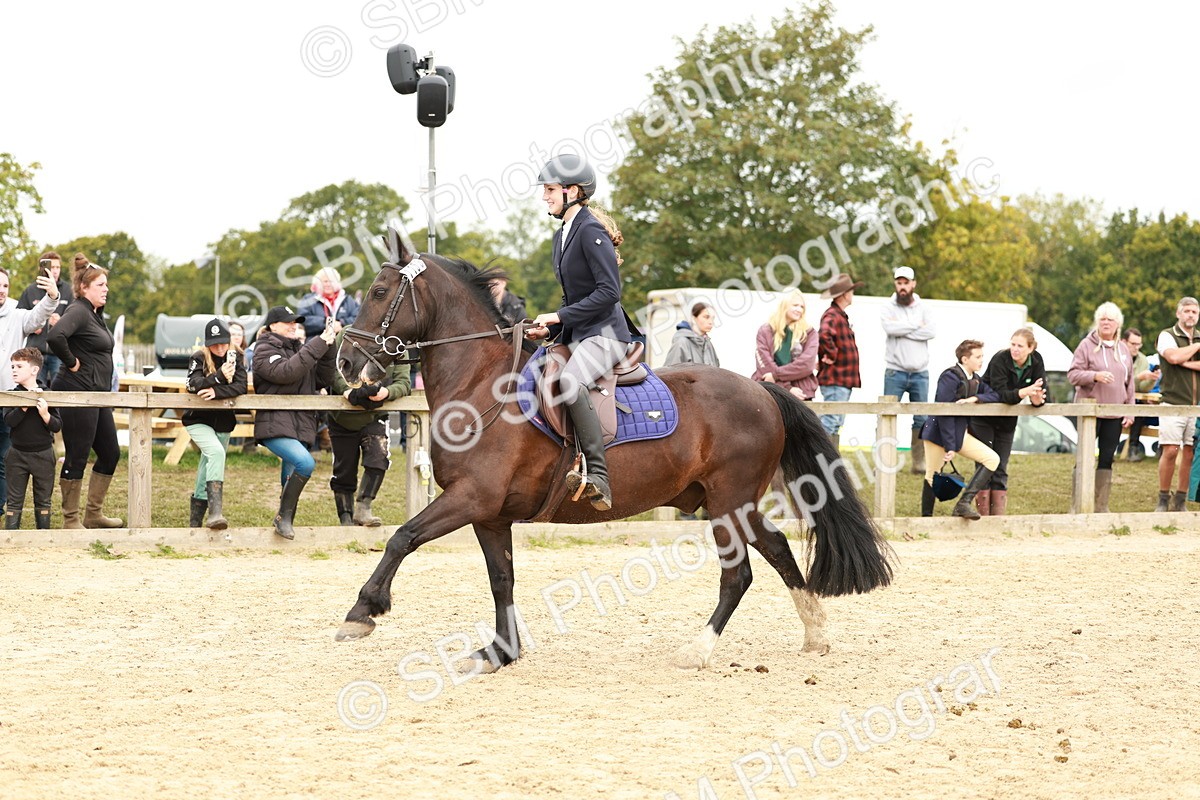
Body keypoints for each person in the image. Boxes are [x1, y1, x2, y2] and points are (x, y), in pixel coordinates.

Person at [526, 154, 638, 512]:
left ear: (573, 191)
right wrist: (552, 328)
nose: (545, 196)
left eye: (551, 190)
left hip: (606, 334)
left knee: (571, 383)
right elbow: (575, 294)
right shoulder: (563, 233)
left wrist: (559, 315)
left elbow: (609, 293)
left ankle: (600, 475)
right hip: (579, 334)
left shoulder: (589, 231)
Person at [46, 260, 123, 529]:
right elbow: (55, 336)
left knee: (110, 453)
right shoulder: (78, 310)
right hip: (77, 393)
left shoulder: (94, 313)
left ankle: (93, 514)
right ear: (83, 287)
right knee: (78, 454)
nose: (106, 289)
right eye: (100, 285)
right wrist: (71, 363)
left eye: (106, 284)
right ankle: (70, 520)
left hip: (98, 395)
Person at [253, 305, 336, 539]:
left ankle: (283, 522)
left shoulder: (299, 349)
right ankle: (283, 517)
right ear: (272, 326)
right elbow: (287, 372)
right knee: (305, 464)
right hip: (274, 423)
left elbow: (322, 378)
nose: (294, 325)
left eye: (295, 322)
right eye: (288, 322)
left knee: (290, 475)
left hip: (299, 424)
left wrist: (329, 347)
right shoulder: (263, 348)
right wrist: (317, 345)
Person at [328, 330, 412, 526]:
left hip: (375, 414)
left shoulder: (396, 342)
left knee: (378, 458)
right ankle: (345, 518)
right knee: (343, 470)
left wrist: (387, 392)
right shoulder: (346, 335)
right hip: (342, 416)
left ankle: (364, 507)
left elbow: (404, 382)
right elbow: (331, 368)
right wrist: (346, 390)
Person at [968, 328, 1047, 515]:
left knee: (1001, 467)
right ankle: (982, 517)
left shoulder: (1037, 361)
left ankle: (998, 519)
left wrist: (1037, 400)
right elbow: (999, 393)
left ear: (1031, 348)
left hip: (1007, 420)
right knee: (985, 464)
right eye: (1013, 344)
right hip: (984, 418)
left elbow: (1042, 392)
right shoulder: (1000, 359)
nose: (1015, 349)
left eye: (1020, 346)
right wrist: (1023, 392)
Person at [920, 339, 1001, 520]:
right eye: (978, 357)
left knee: (992, 459)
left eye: (982, 356)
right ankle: (925, 520)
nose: (982, 360)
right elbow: (944, 413)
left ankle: (963, 504)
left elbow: (994, 394)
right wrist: (950, 446)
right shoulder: (949, 376)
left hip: (958, 434)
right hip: (937, 433)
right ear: (965, 359)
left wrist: (975, 398)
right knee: (932, 475)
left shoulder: (975, 379)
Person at [0, 266, 59, 510]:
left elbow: (38, 316)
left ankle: (1, 507)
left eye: (4, 286)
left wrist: (52, 297)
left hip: (8, 399)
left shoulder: (16, 315)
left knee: (4, 457)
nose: (1, 290)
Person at [1068, 302, 1135, 514]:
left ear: (1118, 324)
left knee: (1107, 457)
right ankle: (1078, 505)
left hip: (1114, 413)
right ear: (1097, 322)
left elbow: (1129, 382)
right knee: (1085, 457)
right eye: (1102, 319)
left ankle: (1101, 506)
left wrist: (1129, 409)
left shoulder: (1124, 349)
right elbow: (1073, 374)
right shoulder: (1086, 346)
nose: (1106, 323)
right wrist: (1094, 376)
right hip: (1090, 413)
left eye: (1110, 319)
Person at [183, 319, 248, 530]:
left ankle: (194, 523)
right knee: (216, 453)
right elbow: (192, 384)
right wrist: (218, 378)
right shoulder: (199, 357)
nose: (220, 348)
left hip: (223, 422)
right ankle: (215, 512)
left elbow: (241, 386)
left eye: (223, 343)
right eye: (215, 344)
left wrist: (216, 391)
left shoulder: (236, 356)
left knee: (206, 466)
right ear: (207, 343)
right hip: (198, 419)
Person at [881, 266, 936, 475]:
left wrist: (902, 327)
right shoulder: (888, 306)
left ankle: (918, 462)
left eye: (906, 283)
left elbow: (931, 331)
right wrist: (916, 326)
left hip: (920, 373)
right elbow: (889, 329)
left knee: (921, 418)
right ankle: (884, 461)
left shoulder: (924, 307)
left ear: (913, 283)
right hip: (895, 371)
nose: (902, 286)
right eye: (899, 283)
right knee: (887, 415)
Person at [5, 348, 62, 529]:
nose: (14, 369)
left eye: (19, 366)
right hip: (17, 455)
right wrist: (23, 406)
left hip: (43, 455)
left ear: (34, 370)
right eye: (12, 366)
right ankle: (11, 537)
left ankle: (43, 537)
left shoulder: (47, 393)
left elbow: (57, 425)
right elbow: (9, 421)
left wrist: (45, 414)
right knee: (14, 500)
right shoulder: (11, 395)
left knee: (44, 500)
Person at [1156, 297, 1200, 511]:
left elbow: (1178, 359)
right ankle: (1163, 497)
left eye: (1194, 311)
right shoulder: (1167, 335)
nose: (1191, 315)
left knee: (1190, 453)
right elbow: (1172, 357)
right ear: (1178, 313)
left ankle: (1180, 499)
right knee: (1171, 450)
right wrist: (1196, 348)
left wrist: (1185, 362)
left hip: (1196, 405)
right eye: (1187, 311)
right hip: (1172, 401)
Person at [817, 272, 865, 447]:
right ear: (845, 294)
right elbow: (824, 334)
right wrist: (831, 355)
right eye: (851, 291)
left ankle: (829, 461)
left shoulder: (839, 315)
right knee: (831, 420)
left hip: (841, 379)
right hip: (835, 378)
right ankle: (821, 460)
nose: (852, 294)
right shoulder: (832, 315)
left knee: (836, 421)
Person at [17, 251, 73, 388]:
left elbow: (75, 321)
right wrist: (31, 327)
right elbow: (19, 317)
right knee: (34, 389)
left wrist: (61, 322)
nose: (54, 271)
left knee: (58, 391)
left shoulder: (68, 290)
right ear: (41, 268)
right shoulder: (30, 291)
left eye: (57, 267)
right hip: (35, 353)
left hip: (59, 352)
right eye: (51, 267)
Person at [750, 291, 817, 398]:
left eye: (802, 307)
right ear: (784, 306)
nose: (799, 310)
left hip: (800, 393)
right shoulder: (766, 330)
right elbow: (764, 364)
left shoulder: (809, 332)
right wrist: (787, 388)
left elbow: (806, 365)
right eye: (795, 305)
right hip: (770, 391)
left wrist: (776, 375)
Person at [1121, 327, 1158, 462]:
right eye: (1133, 344)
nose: (1136, 347)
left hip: (1133, 400)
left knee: (1139, 408)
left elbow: (1142, 389)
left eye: (1139, 344)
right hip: (1115, 399)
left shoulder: (1143, 360)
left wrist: (1151, 380)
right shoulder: (1116, 356)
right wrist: (1138, 378)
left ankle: (1133, 448)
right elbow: (1119, 382)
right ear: (1123, 342)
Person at [297, 267, 361, 340]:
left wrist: (341, 323)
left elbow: (358, 319)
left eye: (331, 281)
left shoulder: (349, 300)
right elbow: (303, 319)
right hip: (315, 344)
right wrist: (328, 323)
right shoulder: (308, 299)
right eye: (325, 281)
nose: (328, 284)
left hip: (344, 344)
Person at [666, 301, 721, 368]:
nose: (711, 322)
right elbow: (669, 375)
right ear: (693, 318)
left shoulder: (708, 343)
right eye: (706, 317)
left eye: (713, 318)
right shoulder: (681, 343)